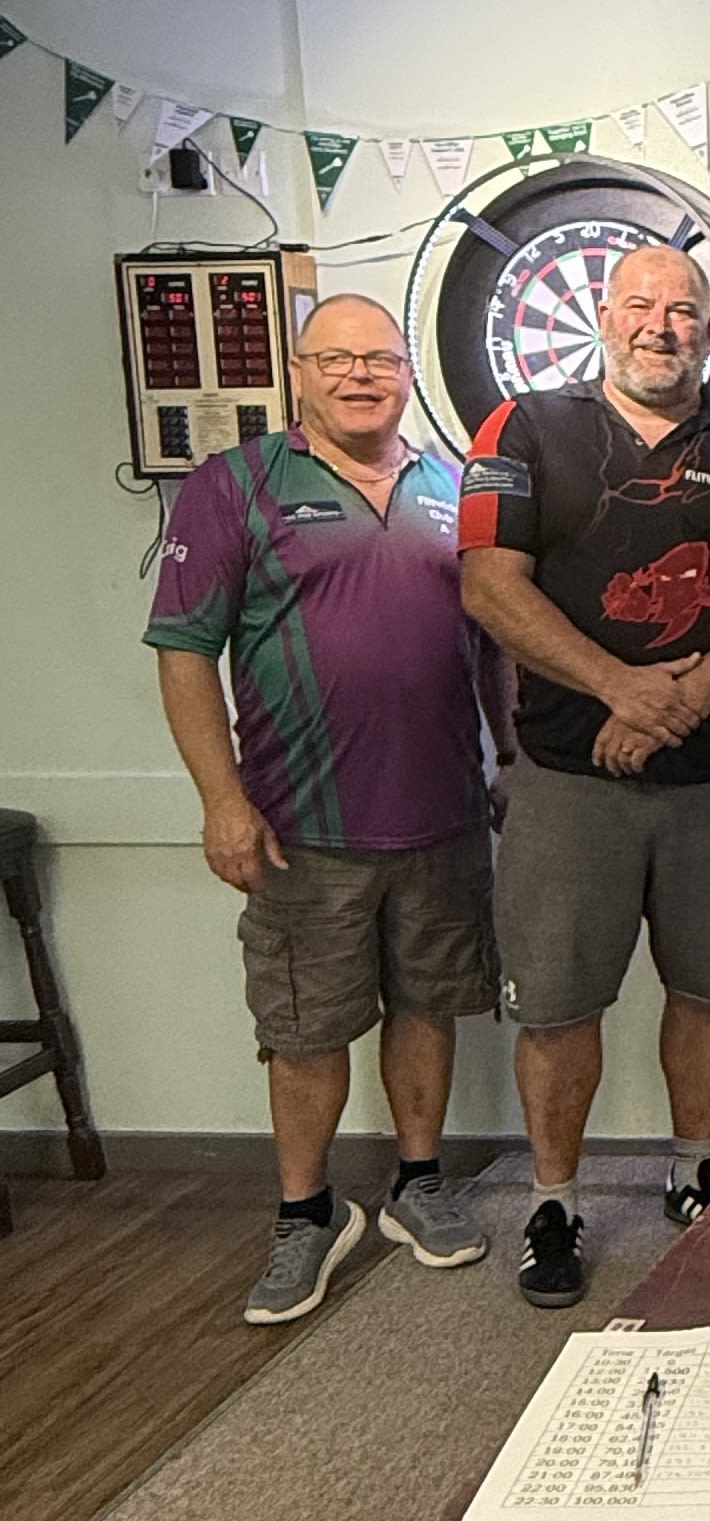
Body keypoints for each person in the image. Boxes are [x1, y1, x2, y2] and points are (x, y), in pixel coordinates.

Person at [459, 244, 710, 1309]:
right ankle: (554, 1204)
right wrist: (619, 688)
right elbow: (489, 585)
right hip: (568, 775)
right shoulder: (522, 431)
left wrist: (676, 702)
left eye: (684, 309)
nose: (662, 325)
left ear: (709, 331)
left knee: (707, 984)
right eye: (641, 305)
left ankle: (694, 1167)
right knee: (557, 1003)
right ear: (604, 319)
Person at [146, 293, 512, 1325]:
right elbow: (184, 651)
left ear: (407, 374)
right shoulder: (235, 484)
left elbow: (492, 643)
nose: (361, 376)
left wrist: (511, 758)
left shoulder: (454, 488)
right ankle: (306, 1214)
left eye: (380, 359)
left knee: (428, 1005)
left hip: (443, 817)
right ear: (298, 375)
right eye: (337, 359)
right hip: (301, 828)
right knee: (304, 1029)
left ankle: (418, 1184)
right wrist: (222, 801)